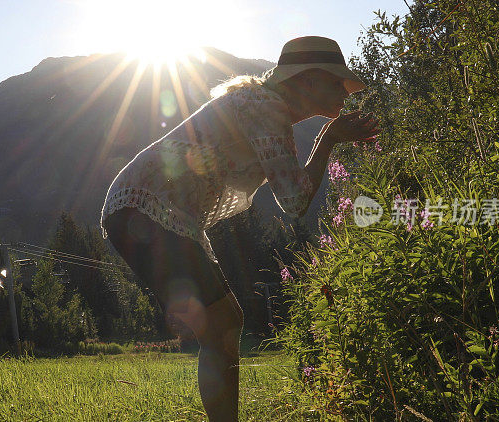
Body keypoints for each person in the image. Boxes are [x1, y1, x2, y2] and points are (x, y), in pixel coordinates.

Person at [100, 36, 380, 421]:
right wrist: (327, 138)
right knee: (221, 329)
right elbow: (296, 202)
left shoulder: (261, 104)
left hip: (146, 210)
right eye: (337, 83)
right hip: (145, 209)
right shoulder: (266, 109)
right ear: (308, 80)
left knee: (225, 325)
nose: (344, 95)